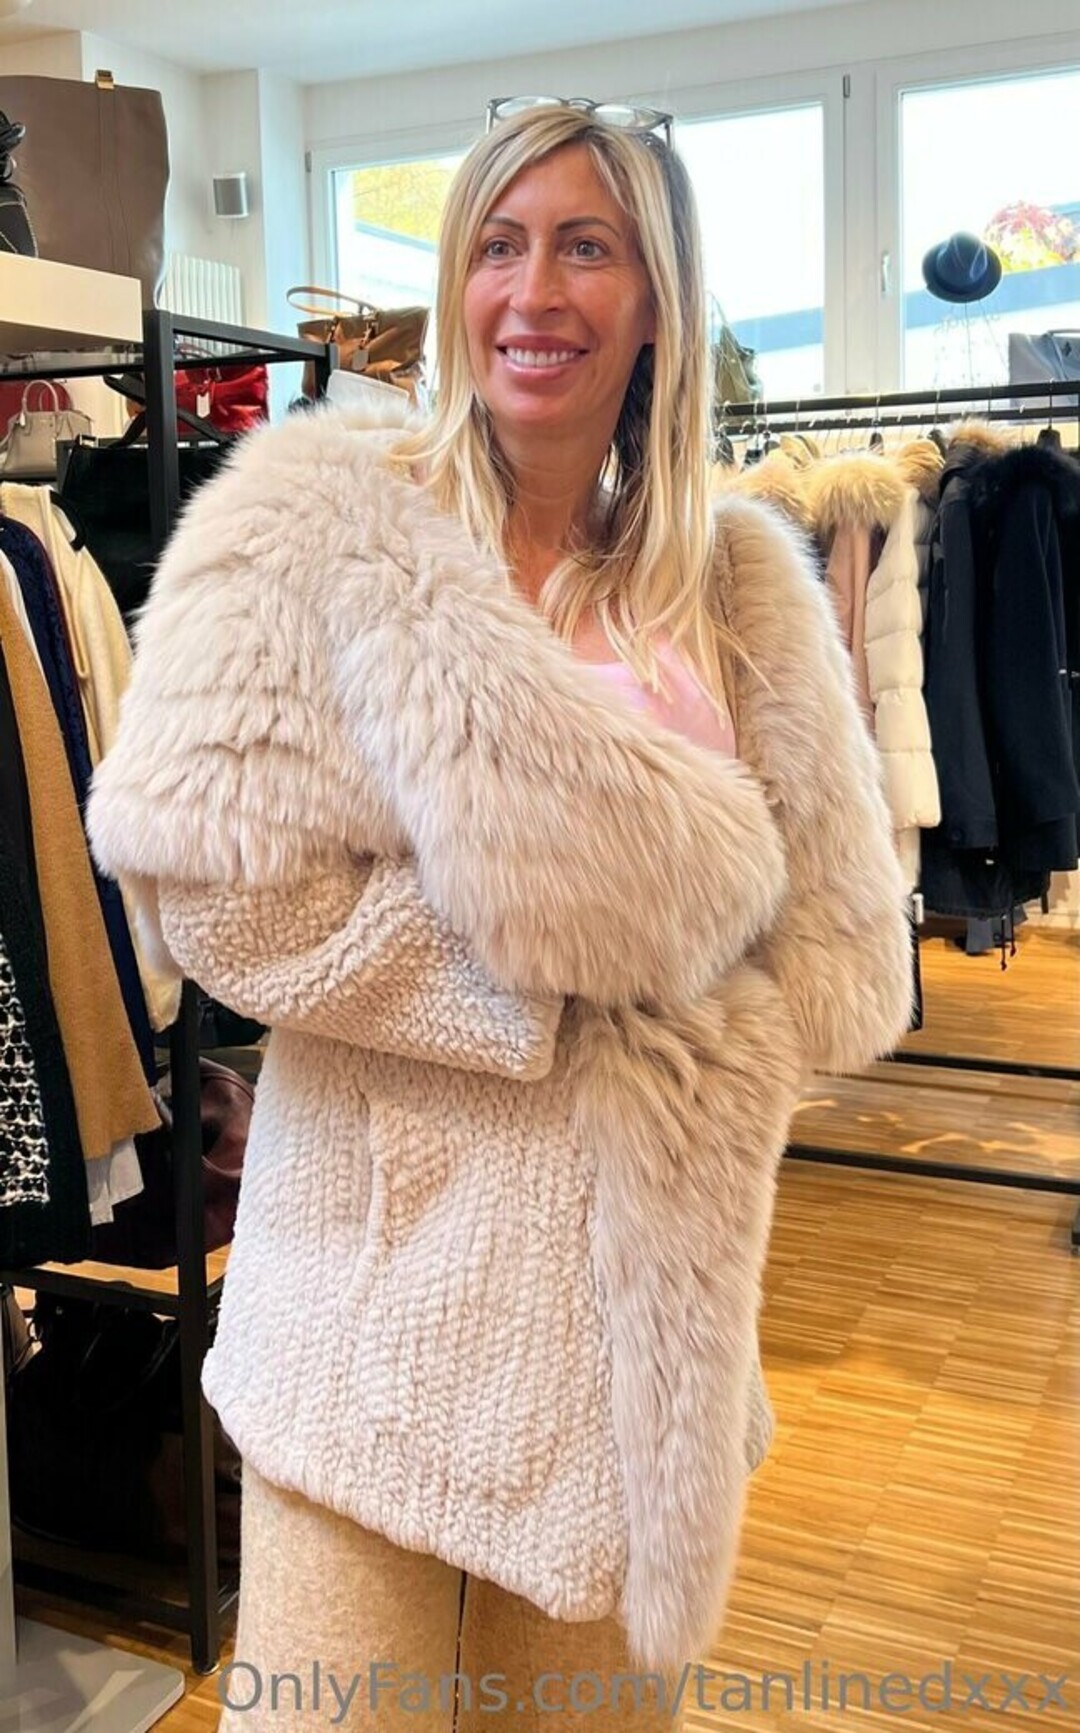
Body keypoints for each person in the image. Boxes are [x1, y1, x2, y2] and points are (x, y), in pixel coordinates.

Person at [87, 101, 912, 1731]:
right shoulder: (313, 527)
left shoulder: (738, 585)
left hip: (639, 1342)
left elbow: (840, 956)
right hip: (370, 1327)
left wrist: (673, 987)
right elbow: (223, 898)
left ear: (657, 297)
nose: (533, 293)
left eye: (586, 247)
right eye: (498, 245)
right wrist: (568, 964)